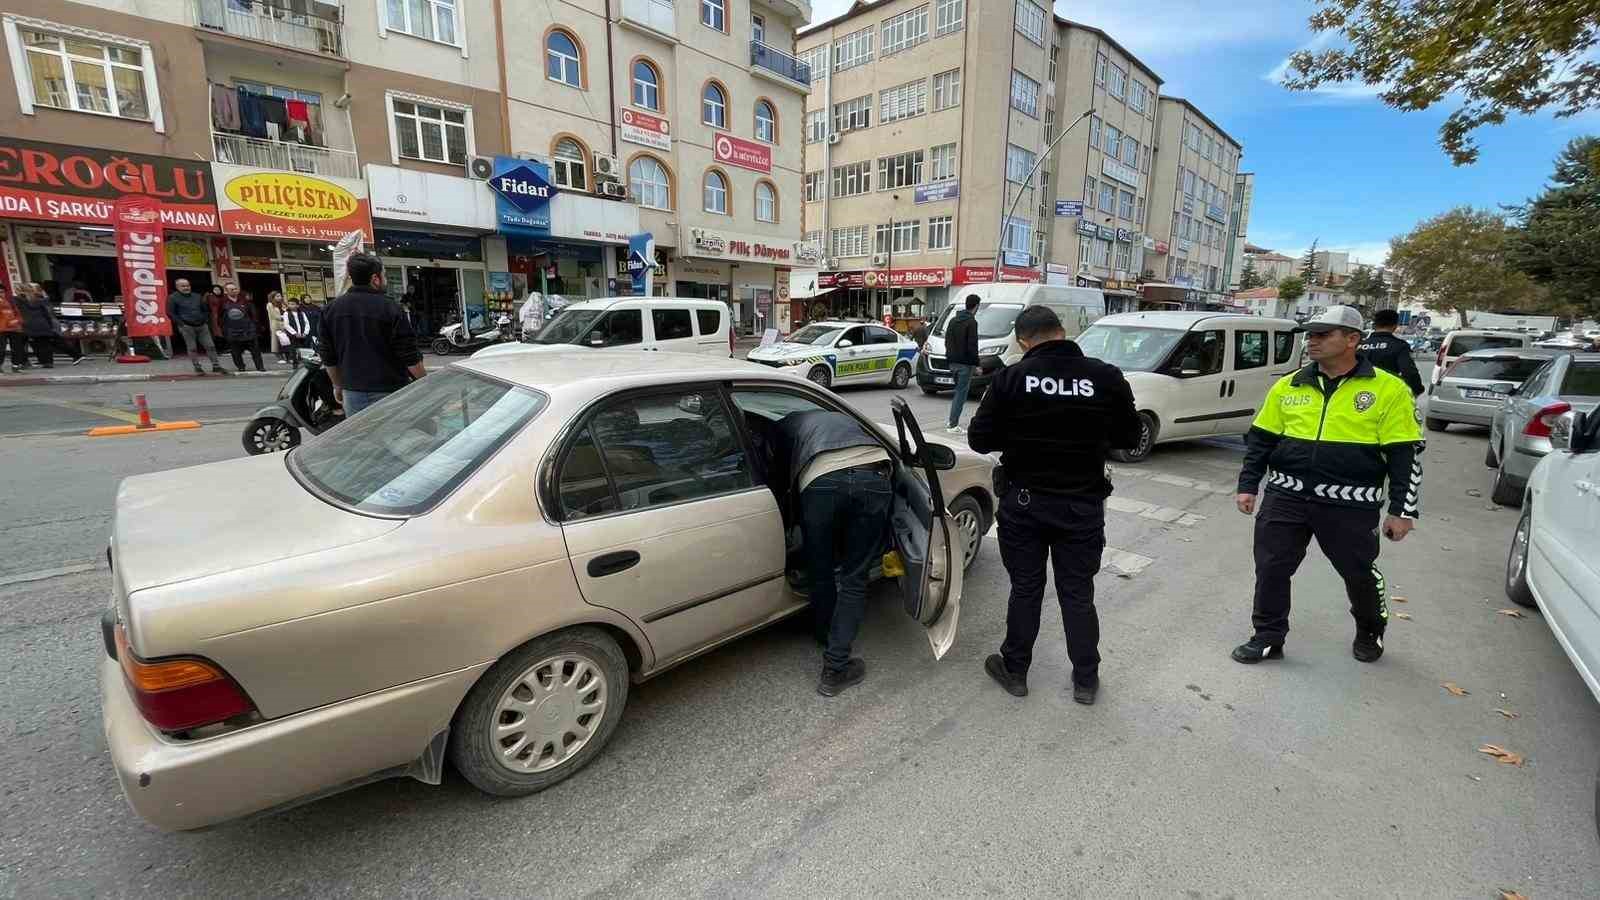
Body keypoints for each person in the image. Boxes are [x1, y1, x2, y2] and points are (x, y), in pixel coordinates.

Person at [968, 305, 1142, 705]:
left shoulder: (1011, 377)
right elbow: (1130, 437)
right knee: (1077, 593)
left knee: (1026, 589)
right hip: (1082, 505)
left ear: (1022, 341)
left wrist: (1022, 434)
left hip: (1025, 504)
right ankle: (1086, 680)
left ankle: (1015, 671)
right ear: (1063, 332)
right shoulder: (1105, 376)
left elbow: (980, 439)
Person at [1233, 305, 1423, 666]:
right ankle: (1268, 636)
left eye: (1323, 334)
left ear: (1352, 339)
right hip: (1285, 496)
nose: (1312, 341)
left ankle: (1370, 630)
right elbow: (1261, 440)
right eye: (1310, 334)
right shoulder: (1289, 384)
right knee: (1271, 568)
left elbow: (1405, 456)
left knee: (1358, 573)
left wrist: (1402, 510)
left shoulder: (1389, 389)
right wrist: (1248, 485)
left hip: (1351, 504)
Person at [768, 408, 894, 697]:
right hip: (873, 475)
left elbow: (778, 473)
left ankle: (826, 635)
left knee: (820, 569)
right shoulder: (841, 417)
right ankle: (836, 666)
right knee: (855, 578)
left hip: (819, 481)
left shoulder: (783, 428)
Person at [319, 252, 425, 415]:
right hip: (391, 392)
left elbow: (328, 356)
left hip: (352, 393)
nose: (385, 280)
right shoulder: (391, 309)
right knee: (394, 431)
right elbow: (409, 355)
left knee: (360, 432)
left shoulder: (330, 310)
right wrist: (426, 383)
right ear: (375, 279)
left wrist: (337, 385)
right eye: (384, 275)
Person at [1357, 308, 1424, 396]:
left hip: (1356, 390)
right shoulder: (1400, 346)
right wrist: (1417, 389)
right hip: (1384, 393)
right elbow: (1409, 372)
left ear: (1374, 325)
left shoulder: (1358, 345)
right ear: (1395, 326)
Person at [168, 278, 225, 375]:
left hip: (202, 326)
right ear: (177, 287)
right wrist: (181, 324)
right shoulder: (172, 298)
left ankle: (216, 366)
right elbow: (170, 312)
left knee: (210, 346)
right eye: (183, 286)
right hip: (187, 326)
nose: (186, 288)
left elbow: (205, 309)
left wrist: (205, 320)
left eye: (188, 285)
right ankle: (197, 368)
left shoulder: (197, 296)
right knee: (192, 348)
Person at [944, 294, 981, 434]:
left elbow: (947, 341)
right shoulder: (972, 322)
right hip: (965, 364)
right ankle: (953, 425)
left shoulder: (953, 320)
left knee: (957, 393)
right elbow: (972, 345)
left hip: (952, 362)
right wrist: (976, 364)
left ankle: (951, 421)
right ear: (976, 306)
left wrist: (949, 357)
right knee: (960, 395)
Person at [216, 283, 263, 372]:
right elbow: (220, 317)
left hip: (248, 330)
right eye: (232, 289)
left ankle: (260, 366)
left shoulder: (244, 300)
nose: (234, 291)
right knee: (235, 351)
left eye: (235, 289)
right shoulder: (222, 302)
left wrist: (254, 326)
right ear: (226, 291)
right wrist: (224, 329)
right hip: (232, 331)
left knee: (255, 350)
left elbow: (253, 315)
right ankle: (241, 366)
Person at [16, 283, 61, 368]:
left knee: (23, 344)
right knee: (44, 344)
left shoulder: (20, 301)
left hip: (27, 325)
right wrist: (50, 324)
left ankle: (24, 362)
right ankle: (48, 362)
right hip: (42, 324)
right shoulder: (40, 300)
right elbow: (47, 313)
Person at [0, 284, 28, 373]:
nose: (1, 294)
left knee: (17, 348)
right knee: (1, 349)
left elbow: (18, 314)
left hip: (14, 328)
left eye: (2, 292)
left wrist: (18, 321)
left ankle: (16, 366)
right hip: (2, 329)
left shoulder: (11, 302)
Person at [266, 291, 291, 365]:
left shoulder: (283, 304)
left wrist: (286, 306)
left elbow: (289, 312)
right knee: (277, 342)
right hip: (276, 325)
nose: (279, 297)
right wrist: (285, 317)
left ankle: (288, 357)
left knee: (286, 341)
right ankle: (280, 357)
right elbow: (274, 316)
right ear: (273, 297)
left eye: (280, 296)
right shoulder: (270, 305)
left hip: (285, 325)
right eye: (277, 296)